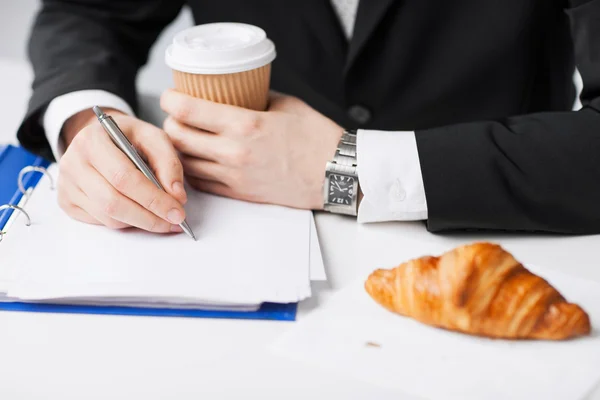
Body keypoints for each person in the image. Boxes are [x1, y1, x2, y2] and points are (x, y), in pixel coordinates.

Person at [17, 0, 600, 234]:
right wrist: (86, 120)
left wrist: (351, 168)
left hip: (508, 231)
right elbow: (89, 12)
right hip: (232, 239)